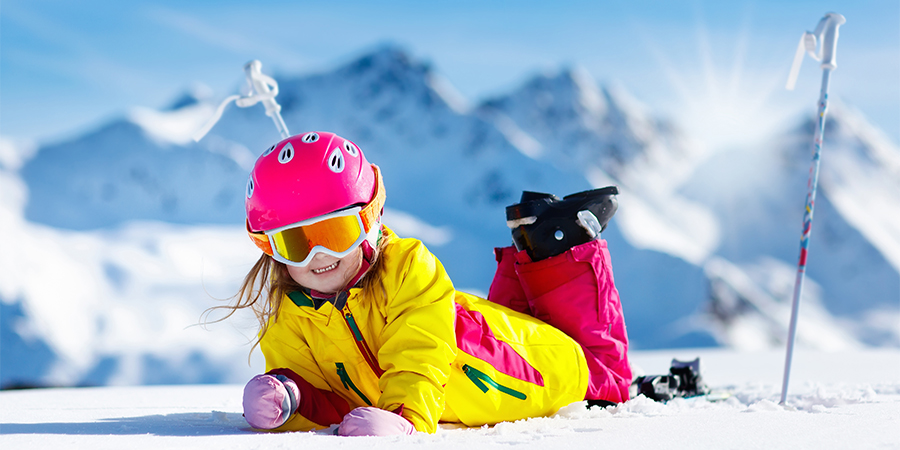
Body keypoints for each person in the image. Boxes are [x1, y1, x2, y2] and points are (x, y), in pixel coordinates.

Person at [227, 131, 631, 435]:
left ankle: (562, 240)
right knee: (509, 325)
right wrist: (288, 395)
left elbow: (419, 354)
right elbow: (328, 399)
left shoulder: (405, 267)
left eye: (335, 233)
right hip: (484, 369)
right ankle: (538, 239)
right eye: (295, 242)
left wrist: (405, 416)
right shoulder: (290, 316)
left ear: (370, 220)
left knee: (602, 377)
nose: (317, 255)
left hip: (541, 369)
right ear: (270, 248)